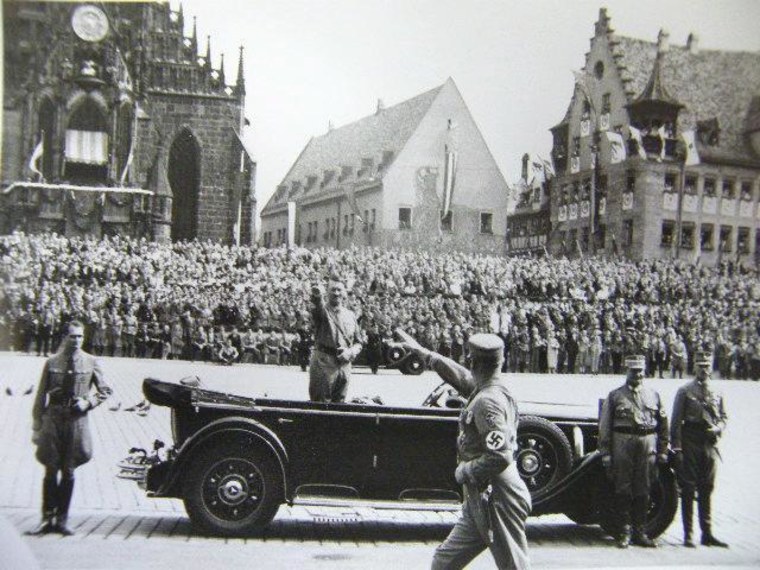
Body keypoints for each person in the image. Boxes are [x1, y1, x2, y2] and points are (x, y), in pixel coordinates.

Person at [399, 331, 531, 569]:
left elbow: (500, 455)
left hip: (497, 497)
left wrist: (465, 471)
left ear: (474, 362)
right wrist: (429, 356)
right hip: (480, 498)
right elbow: (461, 377)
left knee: (513, 566)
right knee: (444, 562)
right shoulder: (490, 389)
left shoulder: (487, 402)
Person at [28, 320, 112, 536]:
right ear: (64, 337)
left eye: (80, 337)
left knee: (69, 469)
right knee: (50, 468)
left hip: (77, 420)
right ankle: (47, 519)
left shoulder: (91, 362)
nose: (76, 340)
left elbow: (104, 391)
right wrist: (37, 423)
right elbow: (40, 395)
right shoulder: (52, 362)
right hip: (53, 419)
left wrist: (88, 403)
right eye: (72, 336)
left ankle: (62, 519)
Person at [598, 355, 669, 548]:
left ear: (644, 371)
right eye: (633, 370)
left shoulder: (653, 395)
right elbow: (605, 426)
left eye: (640, 370)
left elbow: (663, 424)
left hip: (647, 443)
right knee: (623, 488)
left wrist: (662, 449)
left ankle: (641, 532)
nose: (637, 374)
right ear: (626, 371)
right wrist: (605, 452)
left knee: (644, 488)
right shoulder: (615, 396)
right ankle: (624, 532)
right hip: (622, 443)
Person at [671, 351, 729, 548]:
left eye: (707, 365)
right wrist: (677, 448)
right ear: (694, 367)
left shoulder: (718, 391)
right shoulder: (685, 391)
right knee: (688, 489)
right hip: (690, 441)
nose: (703, 369)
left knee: (707, 488)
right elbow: (676, 422)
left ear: (711, 367)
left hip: (709, 443)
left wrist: (718, 427)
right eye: (700, 365)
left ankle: (707, 533)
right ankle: (688, 534)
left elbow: (724, 417)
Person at [308, 280, 363, 402]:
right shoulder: (322, 311)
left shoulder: (350, 315)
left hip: (344, 365)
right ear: (327, 293)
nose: (336, 293)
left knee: (340, 407)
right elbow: (318, 306)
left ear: (344, 293)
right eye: (333, 290)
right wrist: (317, 296)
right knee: (320, 405)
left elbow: (359, 342)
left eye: (339, 290)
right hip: (324, 363)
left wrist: (351, 352)